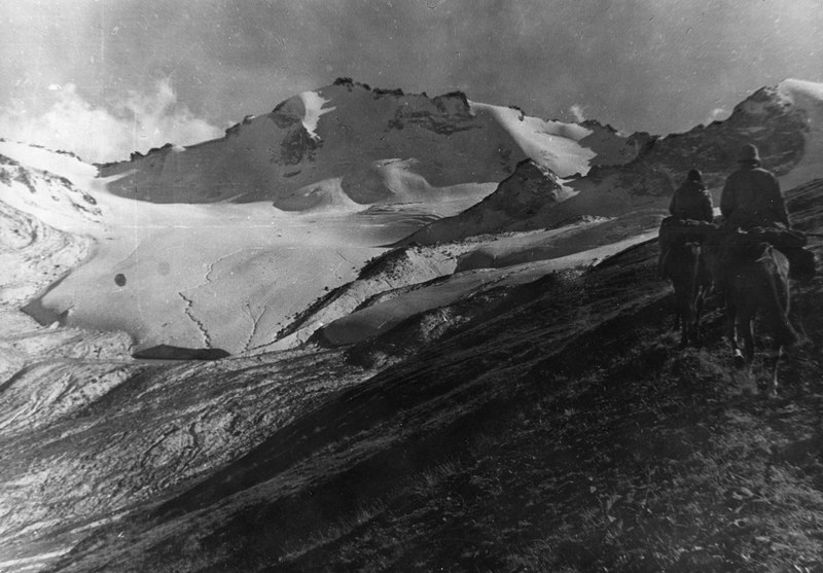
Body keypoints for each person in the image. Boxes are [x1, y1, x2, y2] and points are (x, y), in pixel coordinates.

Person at [658, 169, 714, 277]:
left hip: (680, 226)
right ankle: (710, 275)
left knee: (667, 244)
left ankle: (662, 268)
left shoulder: (679, 191)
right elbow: (709, 215)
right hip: (698, 227)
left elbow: (672, 209)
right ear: (699, 179)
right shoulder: (704, 191)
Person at [720, 143, 789, 230]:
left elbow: (725, 206)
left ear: (741, 161)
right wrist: (786, 223)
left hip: (740, 224)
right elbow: (778, 203)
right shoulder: (768, 176)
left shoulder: (733, 178)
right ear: (756, 160)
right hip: (766, 223)